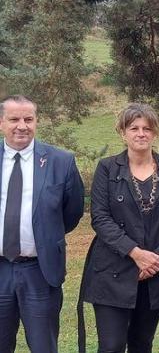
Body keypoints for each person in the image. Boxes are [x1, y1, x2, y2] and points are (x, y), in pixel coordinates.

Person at [78, 103, 159, 353]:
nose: (141, 133)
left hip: (156, 272)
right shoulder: (107, 168)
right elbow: (101, 217)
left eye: (147, 128)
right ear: (123, 132)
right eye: (134, 128)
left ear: (155, 133)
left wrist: (155, 259)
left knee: (141, 344)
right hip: (113, 269)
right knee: (112, 345)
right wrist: (136, 254)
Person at [0, 95, 84, 353]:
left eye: (28, 119)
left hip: (40, 270)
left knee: (43, 346)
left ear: (37, 121)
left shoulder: (61, 161)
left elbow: (72, 213)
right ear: (1, 122)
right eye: (14, 119)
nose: (21, 126)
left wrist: (45, 235)